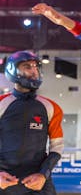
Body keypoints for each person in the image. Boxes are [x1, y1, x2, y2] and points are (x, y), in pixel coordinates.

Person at [0, 51, 64, 194]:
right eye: (27, 66)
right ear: (12, 70)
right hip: (3, 181)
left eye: (36, 66)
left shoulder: (52, 107)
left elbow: (57, 147)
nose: (34, 70)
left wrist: (43, 175)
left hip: (38, 183)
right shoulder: (2, 103)